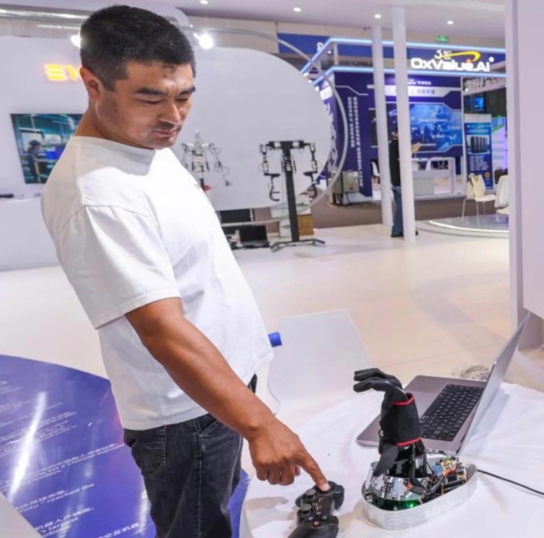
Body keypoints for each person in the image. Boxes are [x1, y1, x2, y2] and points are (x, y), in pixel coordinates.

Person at [40, 6, 331, 537]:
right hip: (184, 416)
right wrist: (260, 423)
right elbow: (161, 329)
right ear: (93, 84)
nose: (172, 116)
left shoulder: (144, 145)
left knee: (224, 510)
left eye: (184, 95)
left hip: (219, 392)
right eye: (150, 98)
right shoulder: (97, 194)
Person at [388, 130, 421, 237]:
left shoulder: (393, 145)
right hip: (400, 181)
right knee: (403, 208)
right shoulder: (397, 145)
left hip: (396, 180)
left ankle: (402, 229)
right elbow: (402, 159)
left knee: (401, 207)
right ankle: (398, 230)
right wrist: (411, 150)